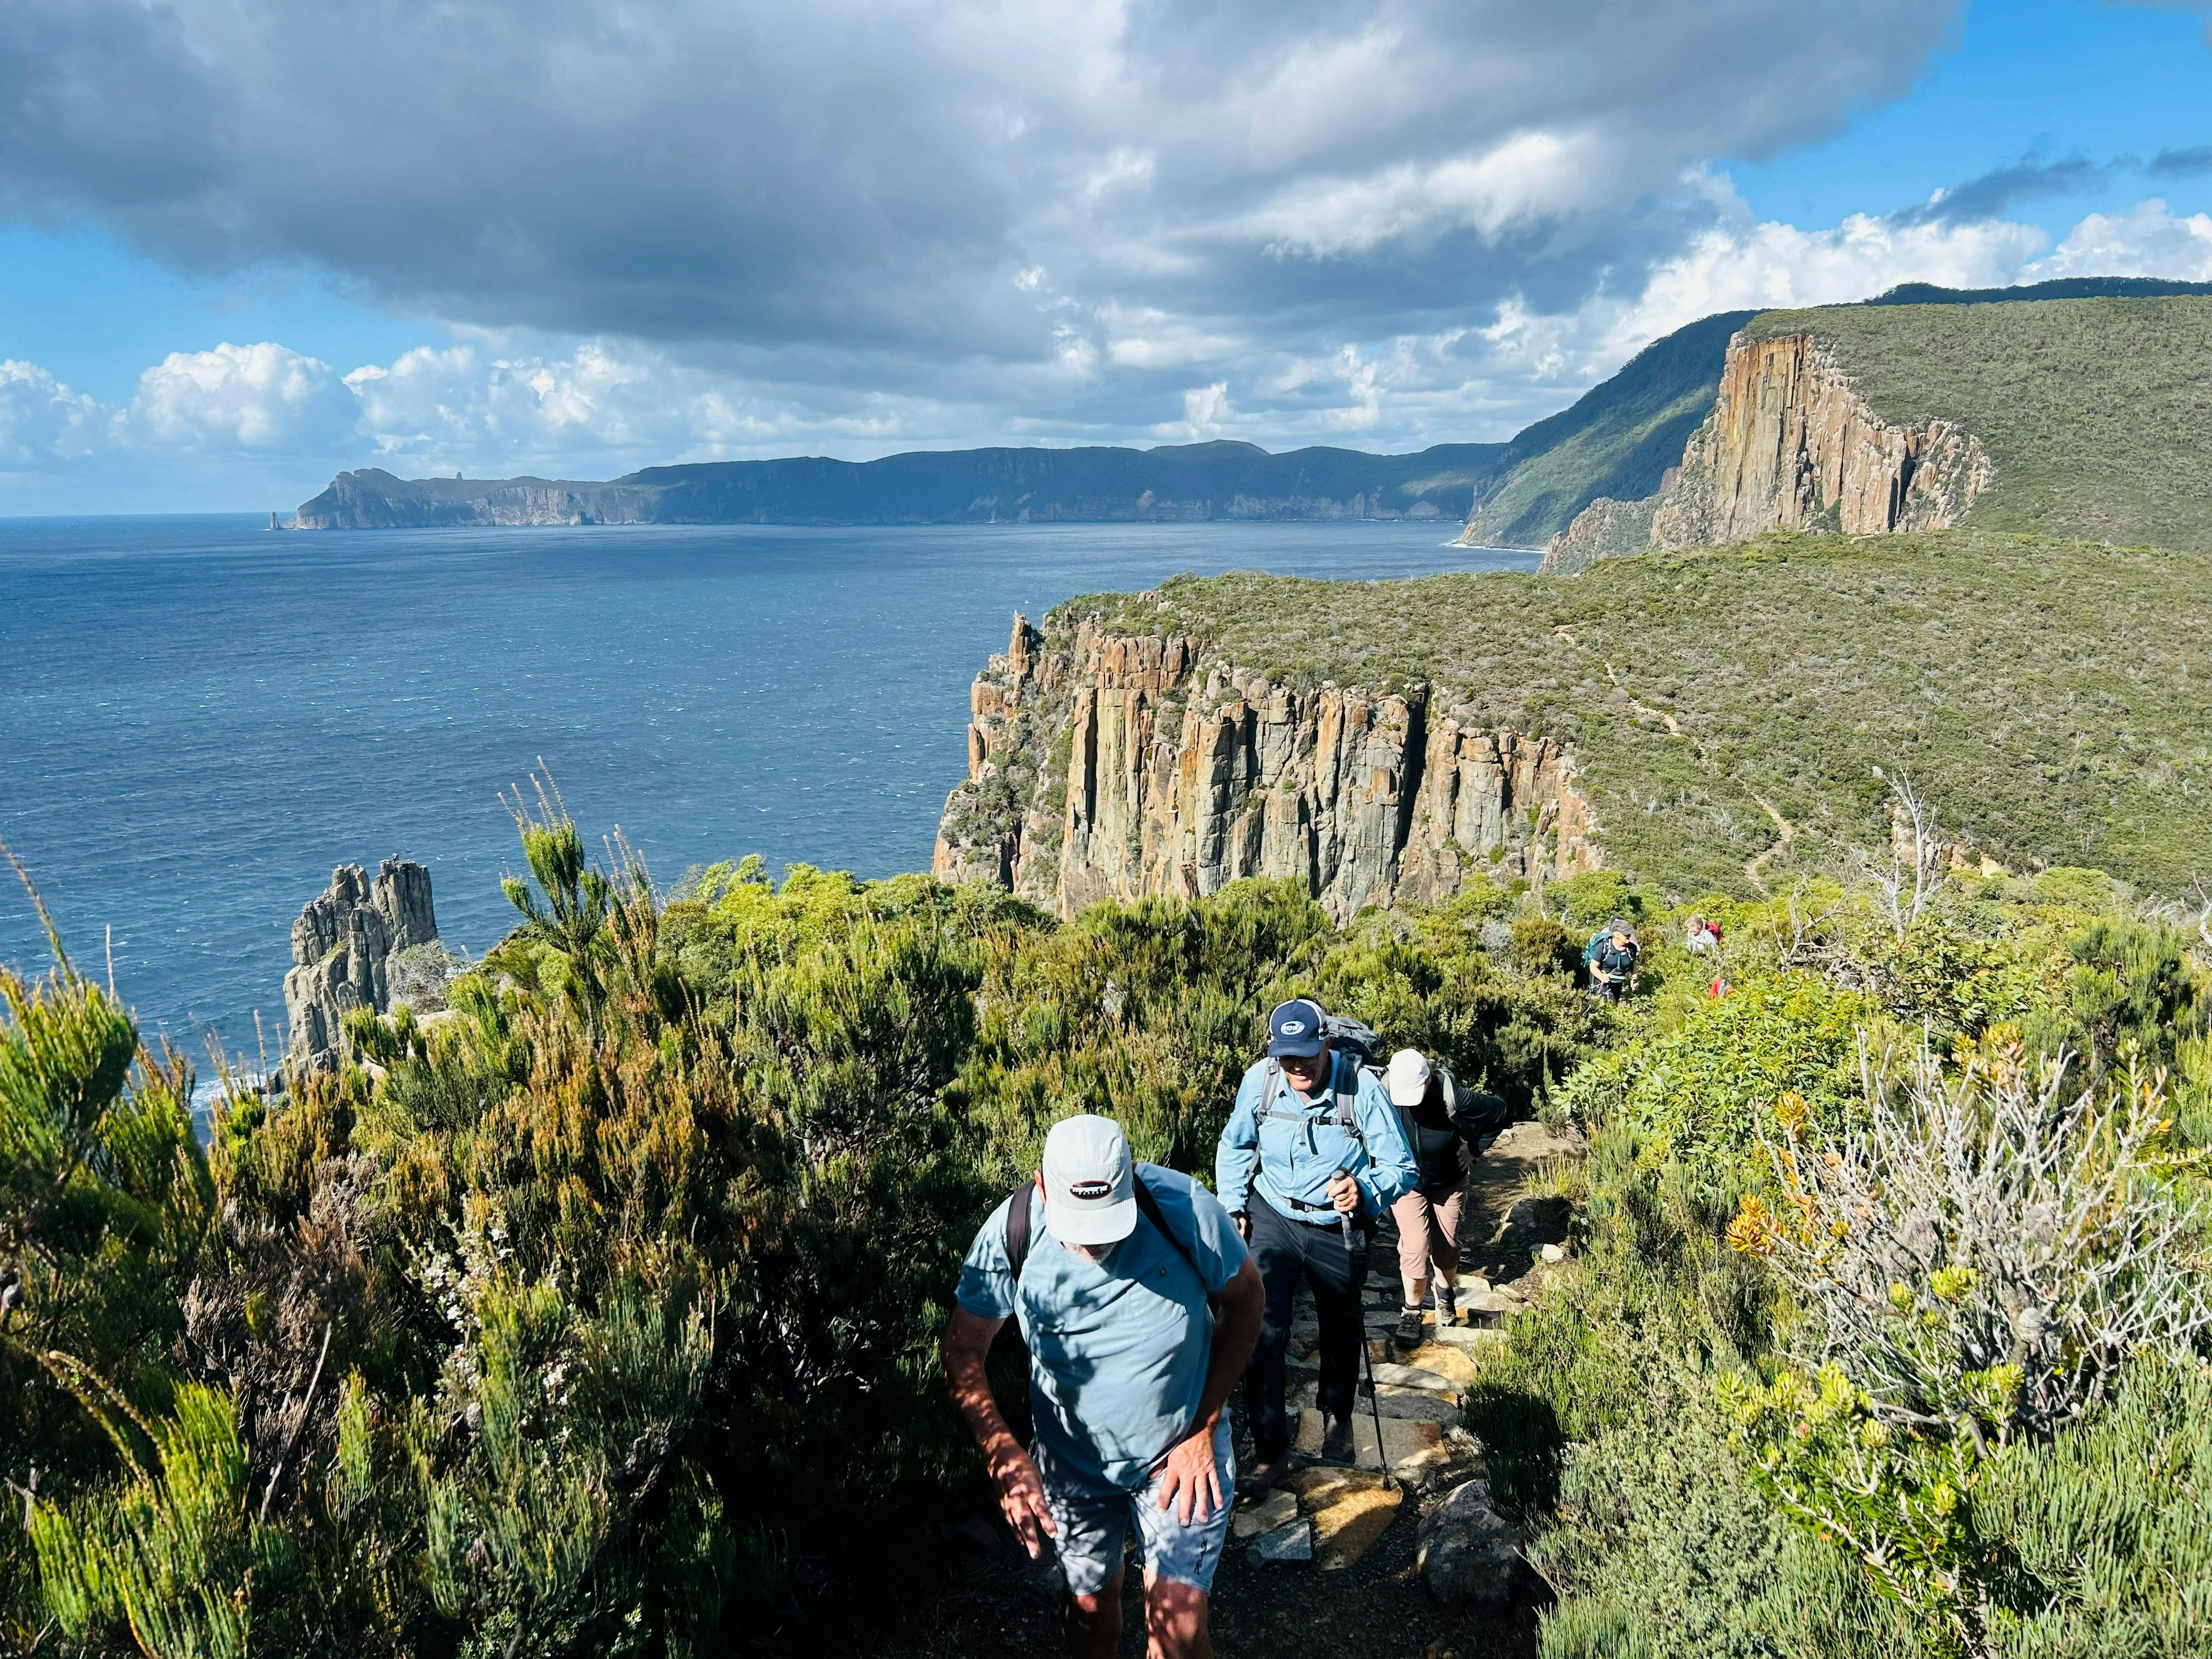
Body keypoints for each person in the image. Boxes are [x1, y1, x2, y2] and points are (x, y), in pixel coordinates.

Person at [944, 1114, 1264, 1659]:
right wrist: (1001, 1451)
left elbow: (1247, 1299)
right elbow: (962, 1349)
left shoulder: (1180, 1208)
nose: (1094, 1246)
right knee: (1090, 1615)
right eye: (1079, 1226)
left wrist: (1204, 1425)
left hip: (1179, 1455)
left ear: (1130, 1181)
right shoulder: (1013, 1230)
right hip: (1074, 1466)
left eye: (1109, 1224)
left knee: (1179, 1637)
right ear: (1043, 1185)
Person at [1215, 998, 1415, 1493]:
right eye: (1287, 1055)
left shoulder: (1360, 1088)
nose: (1298, 1065)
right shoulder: (1259, 1082)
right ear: (1272, 1050)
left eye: (1306, 1052)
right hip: (1273, 1213)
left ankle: (1337, 1415)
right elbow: (1237, 1145)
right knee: (1262, 1330)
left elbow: (1402, 1166)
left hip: (1337, 1223)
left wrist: (1365, 1191)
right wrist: (1234, 1206)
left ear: (1326, 1041)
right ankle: (1270, 1449)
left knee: (1341, 1328)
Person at [1383, 1048, 1511, 1348]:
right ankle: (1411, 1312)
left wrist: (1474, 1150)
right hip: (1407, 1183)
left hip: (1449, 1181)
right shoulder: (1383, 1093)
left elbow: (1500, 1112)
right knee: (1415, 1247)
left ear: (1428, 1081)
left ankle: (1445, 1294)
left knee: (1448, 1246)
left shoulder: (1452, 1096)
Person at [1584, 917, 1640, 1002]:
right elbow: (1593, 967)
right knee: (1607, 1005)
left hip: (1618, 983)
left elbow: (1633, 966)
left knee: (1614, 1005)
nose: (1629, 936)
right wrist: (1602, 977)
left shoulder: (1632, 949)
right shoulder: (1604, 947)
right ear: (1616, 934)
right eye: (1626, 934)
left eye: (1629, 933)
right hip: (1601, 982)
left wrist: (1634, 979)